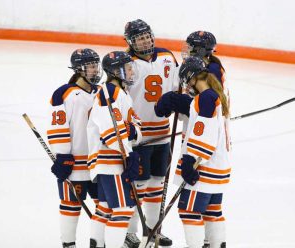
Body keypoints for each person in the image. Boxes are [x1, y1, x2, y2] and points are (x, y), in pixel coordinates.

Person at [155, 56, 231, 248]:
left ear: (191, 77)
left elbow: (203, 132)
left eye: (187, 81)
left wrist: (190, 161)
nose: (188, 86)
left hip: (203, 167)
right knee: (212, 212)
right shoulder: (214, 95)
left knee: (188, 211)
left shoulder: (205, 98)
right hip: (219, 167)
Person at [123, 19, 179, 247]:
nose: (145, 41)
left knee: (157, 183)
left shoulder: (167, 56)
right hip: (139, 137)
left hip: (164, 134)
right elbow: (118, 98)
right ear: (130, 42)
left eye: (147, 36)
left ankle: (154, 228)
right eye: (139, 38)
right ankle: (130, 231)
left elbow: (178, 88)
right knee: (138, 185)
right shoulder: (126, 63)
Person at [47, 48, 103, 248]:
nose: (96, 70)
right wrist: (62, 156)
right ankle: (68, 244)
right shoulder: (64, 94)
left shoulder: (101, 92)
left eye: (96, 65)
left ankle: (99, 243)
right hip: (73, 164)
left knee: (103, 206)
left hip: (98, 163)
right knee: (71, 205)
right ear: (79, 69)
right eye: (91, 66)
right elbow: (57, 127)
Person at [87, 51, 143, 248]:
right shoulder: (109, 92)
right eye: (128, 68)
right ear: (116, 71)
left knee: (105, 208)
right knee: (122, 210)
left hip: (110, 160)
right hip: (111, 159)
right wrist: (128, 154)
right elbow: (111, 132)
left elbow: (136, 128)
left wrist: (131, 131)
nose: (131, 72)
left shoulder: (121, 93)